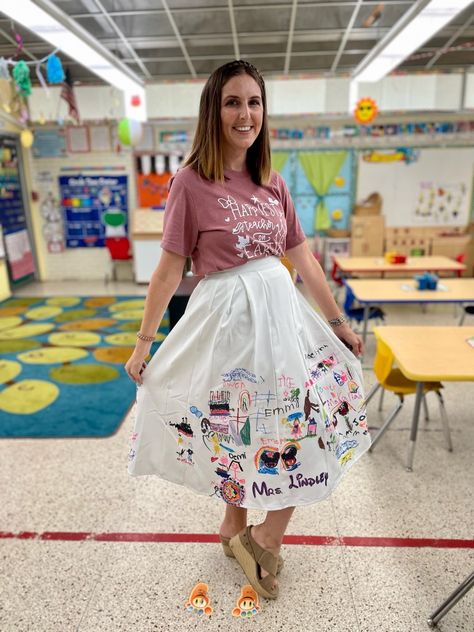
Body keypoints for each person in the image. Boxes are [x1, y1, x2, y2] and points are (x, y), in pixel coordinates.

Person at [125, 59, 371, 600]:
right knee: (240, 428)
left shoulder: (273, 183)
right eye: (233, 101)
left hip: (283, 322)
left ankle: (258, 532)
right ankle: (243, 531)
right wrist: (144, 343)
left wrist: (336, 321)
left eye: (254, 102)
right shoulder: (190, 183)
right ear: (213, 111)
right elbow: (170, 268)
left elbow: (303, 260)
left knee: (301, 427)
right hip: (228, 324)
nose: (245, 113)